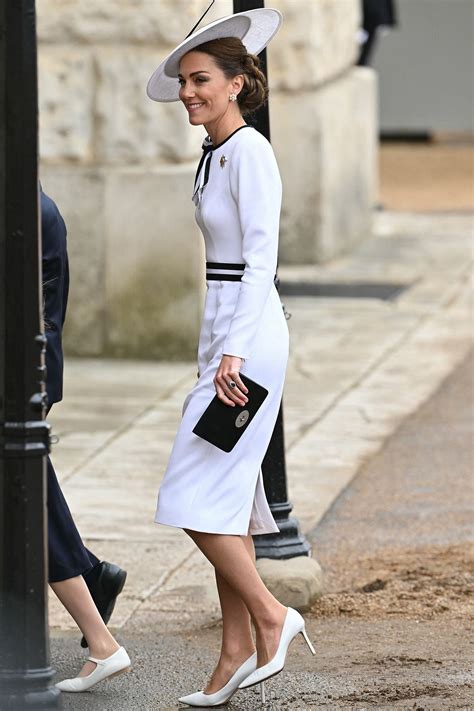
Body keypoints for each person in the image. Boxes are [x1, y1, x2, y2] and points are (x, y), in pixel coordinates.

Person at [146, 8, 315, 707]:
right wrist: (216, 347)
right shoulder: (213, 153)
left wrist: (236, 351)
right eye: (184, 80)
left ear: (240, 83)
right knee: (227, 502)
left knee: (190, 495)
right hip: (223, 340)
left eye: (202, 79)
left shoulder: (251, 153)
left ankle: (273, 617)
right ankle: (234, 651)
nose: (189, 91)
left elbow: (258, 259)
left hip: (248, 341)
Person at [41, 187, 131, 692]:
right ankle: (94, 585)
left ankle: (102, 641)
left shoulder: (27, 212)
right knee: (34, 502)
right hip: (27, 374)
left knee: (33, 505)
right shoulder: (32, 205)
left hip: (20, 378)